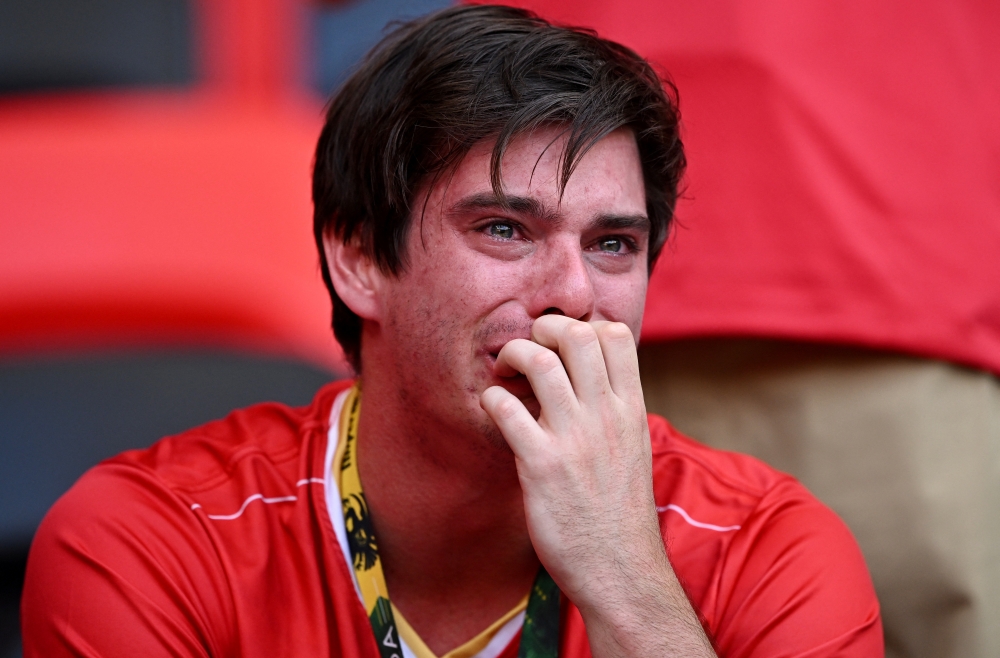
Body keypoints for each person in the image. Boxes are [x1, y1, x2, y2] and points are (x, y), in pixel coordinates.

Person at [21, 5, 882, 657]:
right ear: (359, 260)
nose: (573, 295)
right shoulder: (150, 539)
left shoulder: (771, 549)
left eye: (613, 243)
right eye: (505, 229)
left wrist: (625, 580)